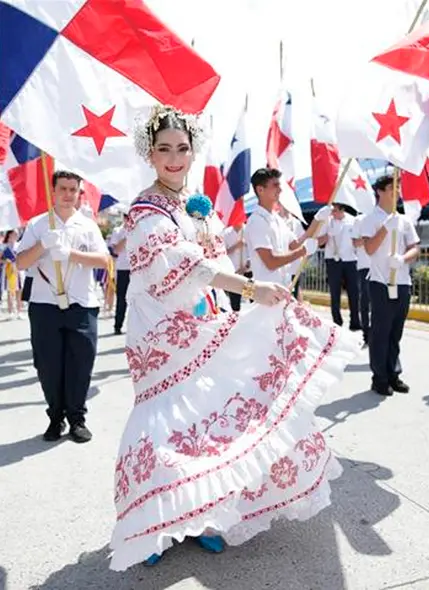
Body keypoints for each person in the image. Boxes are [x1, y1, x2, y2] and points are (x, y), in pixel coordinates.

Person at [107, 105, 360, 570]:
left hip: (203, 321)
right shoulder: (143, 211)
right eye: (164, 149)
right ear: (150, 154)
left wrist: (244, 277)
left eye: (182, 148)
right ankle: (153, 525)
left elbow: (214, 256)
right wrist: (250, 287)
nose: (174, 158)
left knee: (204, 417)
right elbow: (181, 267)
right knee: (161, 422)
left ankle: (202, 514)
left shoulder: (192, 203)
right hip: (160, 332)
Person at [15, 170, 111, 443]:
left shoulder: (87, 224)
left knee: (81, 363)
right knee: (48, 366)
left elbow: (103, 260)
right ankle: (55, 418)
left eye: (73, 190)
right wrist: (43, 245)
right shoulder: (38, 224)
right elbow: (21, 262)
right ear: (53, 192)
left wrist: (71, 254)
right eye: (63, 189)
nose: (68, 195)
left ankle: (77, 419)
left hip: (82, 303)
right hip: (45, 305)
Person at [359, 173, 420, 396]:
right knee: (380, 332)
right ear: (380, 192)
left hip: (402, 281)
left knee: (396, 331)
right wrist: (386, 227)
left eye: (399, 188)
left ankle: (394, 374)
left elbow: (415, 247)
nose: (398, 192)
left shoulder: (404, 220)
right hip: (380, 281)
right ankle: (380, 378)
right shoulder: (370, 219)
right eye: (393, 187)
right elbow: (369, 249)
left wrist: (403, 258)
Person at [244, 168, 318, 295]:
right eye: (275, 186)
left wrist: (317, 221)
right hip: (264, 292)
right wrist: (303, 252)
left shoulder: (277, 219)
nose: (280, 190)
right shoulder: (257, 221)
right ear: (260, 190)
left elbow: (294, 244)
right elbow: (270, 262)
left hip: (282, 288)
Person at [319, 203, 361, 330]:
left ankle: (355, 321)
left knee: (354, 292)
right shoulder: (327, 222)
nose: (333, 213)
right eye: (332, 210)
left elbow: (357, 240)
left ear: (342, 209)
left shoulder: (353, 220)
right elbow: (319, 241)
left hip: (350, 259)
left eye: (335, 210)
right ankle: (337, 321)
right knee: (335, 292)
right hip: (332, 259)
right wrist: (326, 236)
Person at [221, 220, 250, 311]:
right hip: (233, 272)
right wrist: (236, 246)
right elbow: (222, 252)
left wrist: (247, 266)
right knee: (235, 301)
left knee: (250, 297)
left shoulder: (248, 231)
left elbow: (254, 252)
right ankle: (235, 320)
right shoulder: (226, 233)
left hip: (248, 272)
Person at [353, 211, 372, 347]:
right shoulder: (359, 219)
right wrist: (371, 240)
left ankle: (379, 333)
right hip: (365, 265)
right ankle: (367, 335)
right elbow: (355, 242)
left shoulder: (384, 217)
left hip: (381, 265)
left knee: (380, 302)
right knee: (365, 301)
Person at [107, 222, 129, 333]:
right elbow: (116, 250)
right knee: (121, 299)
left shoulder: (141, 227)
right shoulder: (118, 230)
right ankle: (118, 325)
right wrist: (126, 236)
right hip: (123, 269)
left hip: (137, 269)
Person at [2, 230, 23, 320]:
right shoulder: (4, 246)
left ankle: (19, 311)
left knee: (19, 291)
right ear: (10, 234)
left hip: (18, 270)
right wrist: (5, 261)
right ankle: (10, 311)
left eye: (17, 234)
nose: (16, 235)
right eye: (14, 233)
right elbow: (1, 259)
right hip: (8, 270)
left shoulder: (20, 245)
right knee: (10, 291)